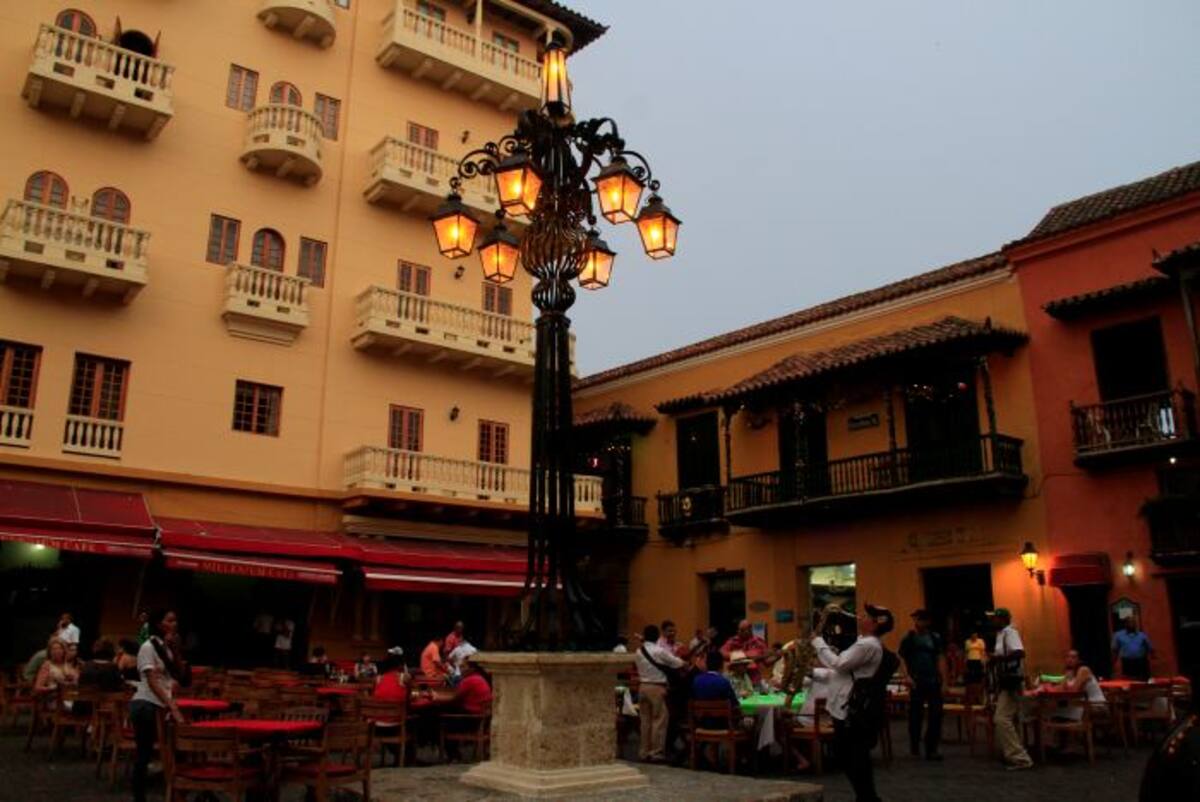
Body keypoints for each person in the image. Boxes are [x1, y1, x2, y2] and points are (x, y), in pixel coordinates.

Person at [813, 604, 892, 802]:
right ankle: (865, 796)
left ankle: (867, 797)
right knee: (848, 755)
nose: (859, 617)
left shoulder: (868, 645)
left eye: (865, 616)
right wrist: (812, 672)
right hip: (844, 705)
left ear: (874, 624)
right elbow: (840, 673)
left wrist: (818, 642)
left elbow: (839, 664)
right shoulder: (862, 642)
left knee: (854, 756)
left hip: (853, 708)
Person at [131, 610, 185, 802]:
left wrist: (176, 650)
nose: (174, 623)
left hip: (162, 704)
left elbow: (179, 675)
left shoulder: (166, 648)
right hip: (146, 704)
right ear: (159, 624)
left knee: (173, 748)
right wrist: (173, 707)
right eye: (169, 620)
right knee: (144, 753)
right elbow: (152, 681)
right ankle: (139, 796)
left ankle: (175, 792)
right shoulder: (148, 647)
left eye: (175, 620)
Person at [989, 608, 1033, 770]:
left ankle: (1019, 757)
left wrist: (998, 658)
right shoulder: (1001, 635)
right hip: (1006, 681)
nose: (992, 620)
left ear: (1002, 619)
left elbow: (1020, 653)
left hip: (1011, 681)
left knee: (1001, 718)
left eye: (995, 618)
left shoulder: (1010, 632)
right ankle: (1015, 753)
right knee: (1010, 718)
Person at [634, 623, 685, 763]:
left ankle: (643, 752)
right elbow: (677, 663)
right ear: (658, 636)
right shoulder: (659, 651)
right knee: (659, 720)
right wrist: (683, 661)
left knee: (645, 721)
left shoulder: (639, 651)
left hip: (642, 686)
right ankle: (656, 753)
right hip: (657, 687)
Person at [898, 609, 946, 760]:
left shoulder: (934, 637)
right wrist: (906, 676)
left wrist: (943, 678)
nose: (919, 622)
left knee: (936, 715)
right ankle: (914, 746)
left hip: (933, 680)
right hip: (916, 681)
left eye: (922, 620)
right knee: (915, 715)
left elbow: (939, 657)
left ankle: (931, 748)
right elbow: (901, 658)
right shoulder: (909, 638)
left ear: (928, 621)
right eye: (917, 619)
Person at [1051, 649, 1106, 722]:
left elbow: (1074, 691)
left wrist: (1065, 680)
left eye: (1073, 657)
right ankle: (1067, 731)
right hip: (1082, 705)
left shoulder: (1083, 670)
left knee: (1055, 713)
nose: (1070, 659)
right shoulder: (1069, 674)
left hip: (1096, 705)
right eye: (1067, 657)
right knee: (1054, 711)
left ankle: (1071, 730)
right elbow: (1061, 689)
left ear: (1079, 660)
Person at [1112, 616, 1154, 681]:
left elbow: (1150, 648)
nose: (1132, 624)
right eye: (1130, 622)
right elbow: (1115, 650)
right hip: (1127, 662)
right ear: (1125, 624)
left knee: (1143, 681)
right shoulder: (1118, 635)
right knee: (1129, 681)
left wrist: (1152, 658)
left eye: (1134, 622)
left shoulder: (1142, 635)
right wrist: (1114, 663)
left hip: (1141, 661)